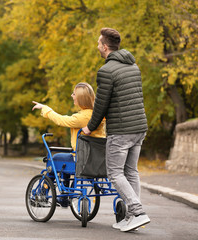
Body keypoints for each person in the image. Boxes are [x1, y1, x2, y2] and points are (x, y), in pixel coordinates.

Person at [82, 28, 150, 232]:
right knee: (131, 171)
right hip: (139, 127)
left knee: (114, 173)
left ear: (104, 46)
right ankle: (131, 217)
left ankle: (138, 211)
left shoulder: (106, 71)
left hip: (121, 130)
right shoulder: (133, 66)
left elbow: (101, 105)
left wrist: (89, 127)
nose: (96, 46)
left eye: (98, 43)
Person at [32, 82, 106, 207]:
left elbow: (61, 120)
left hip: (82, 160)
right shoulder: (99, 116)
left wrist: (46, 108)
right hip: (98, 161)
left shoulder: (81, 118)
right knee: (65, 162)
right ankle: (64, 197)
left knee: (55, 160)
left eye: (74, 94)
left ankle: (43, 193)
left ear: (81, 98)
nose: (72, 96)